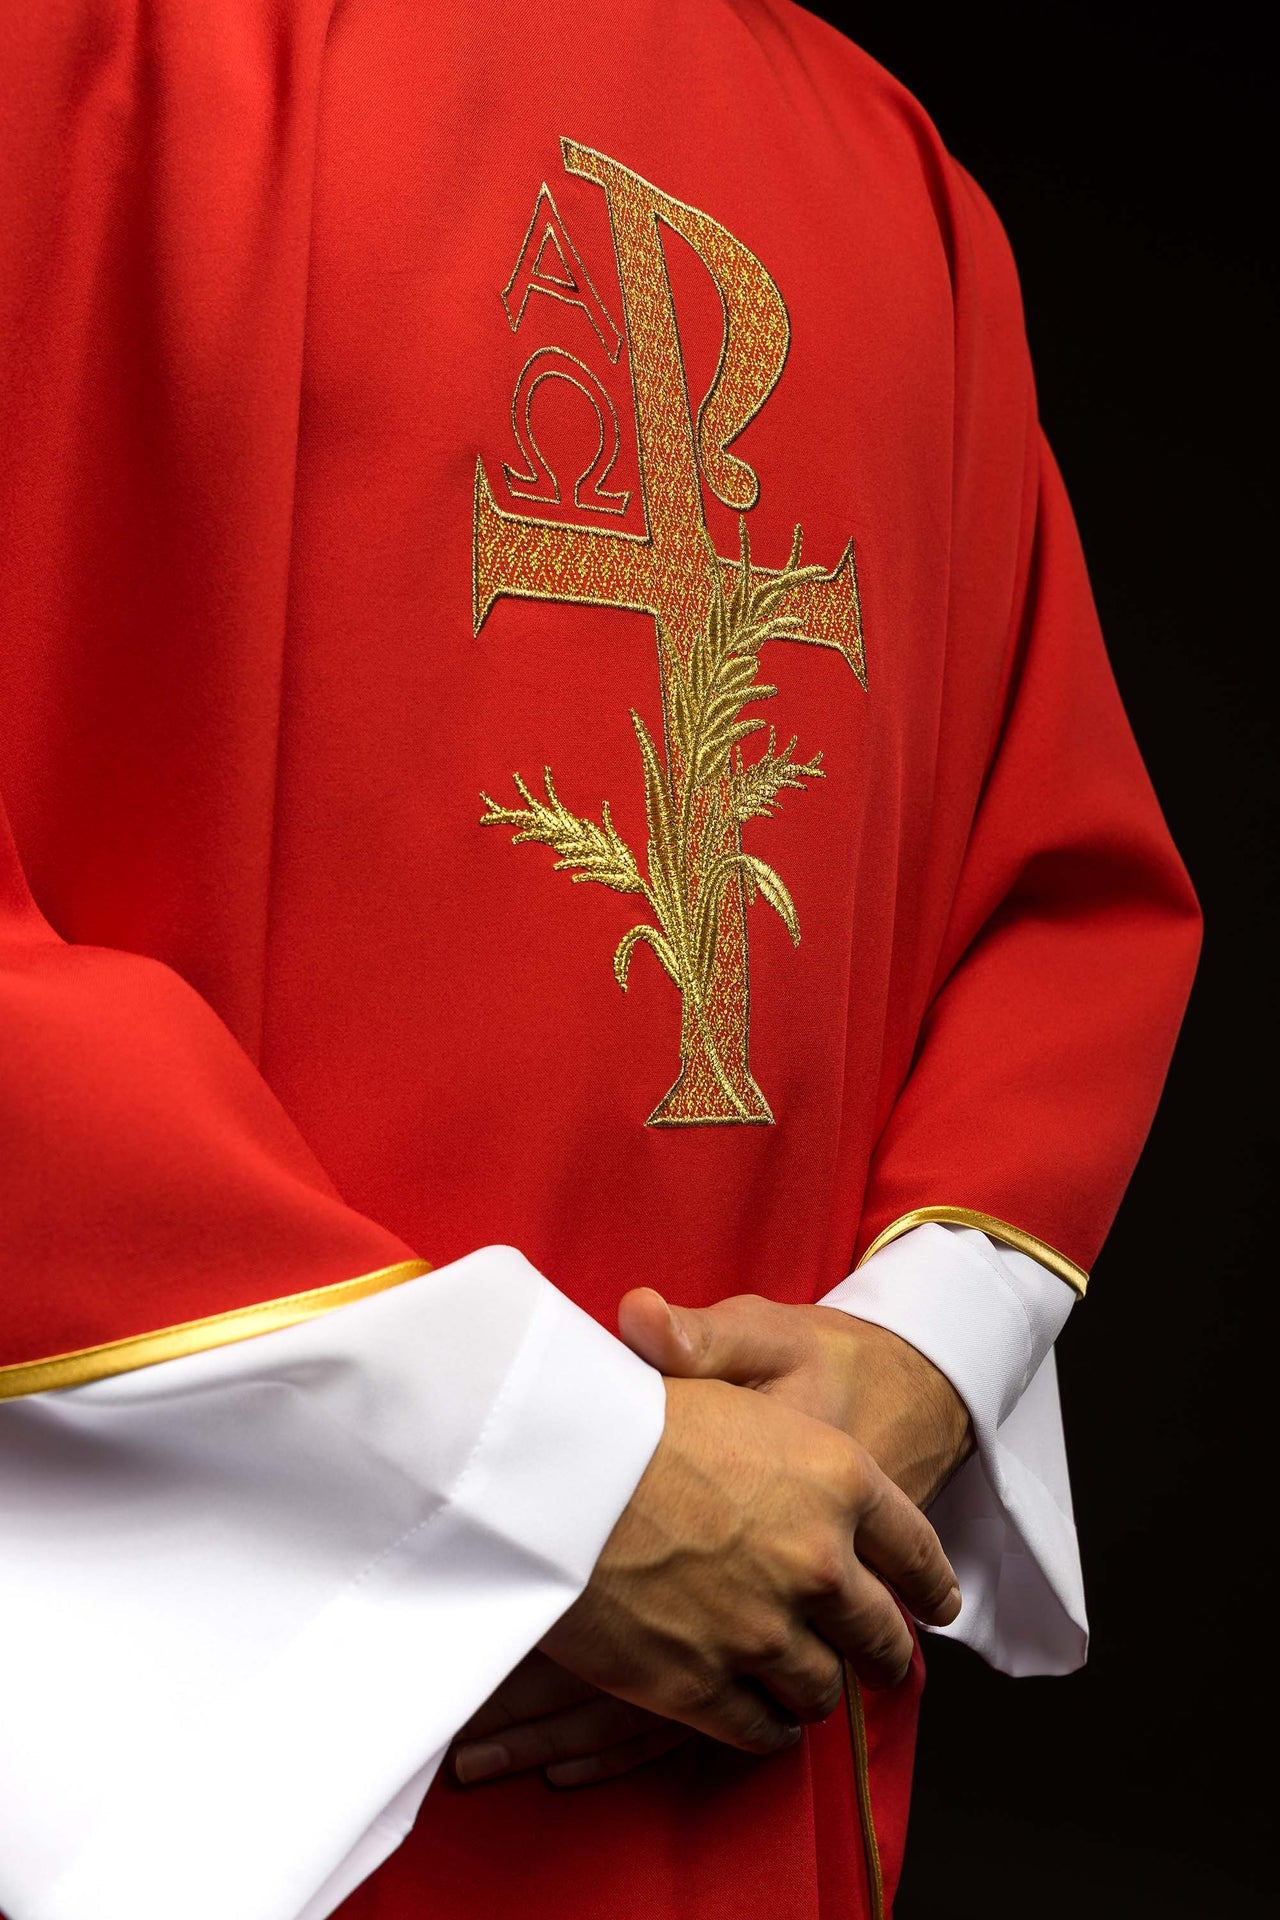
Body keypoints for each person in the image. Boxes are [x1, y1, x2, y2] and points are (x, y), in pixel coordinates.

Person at [0, 3, 1199, 1917]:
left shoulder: (892, 167)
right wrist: (542, 1482)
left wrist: (911, 1360)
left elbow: (1048, 887)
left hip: (747, 1746)